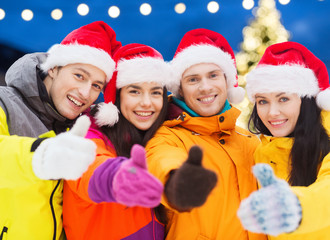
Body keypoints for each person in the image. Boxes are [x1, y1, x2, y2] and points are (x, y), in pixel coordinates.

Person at [0, 21, 121, 240]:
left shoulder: (86, 126)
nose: (85, 93)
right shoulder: (4, 103)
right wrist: (41, 154)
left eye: (96, 86)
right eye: (79, 76)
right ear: (54, 68)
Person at [145, 28, 267, 240]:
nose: (205, 87)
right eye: (193, 79)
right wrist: (177, 181)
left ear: (227, 82)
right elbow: (162, 161)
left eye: (213, 76)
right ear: (180, 89)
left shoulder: (250, 141)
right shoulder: (168, 138)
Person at [63, 43, 172, 240]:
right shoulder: (90, 134)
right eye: (135, 91)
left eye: (155, 92)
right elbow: (88, 166)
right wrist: (120, 176)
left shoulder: (162, 139)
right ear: (117, 97)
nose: (147, 102)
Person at [237, 41, 330, 239]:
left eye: (283, 99)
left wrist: (293, 208)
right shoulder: (263, 153)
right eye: (263, 101)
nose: (272, 113)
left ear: (306, 100)